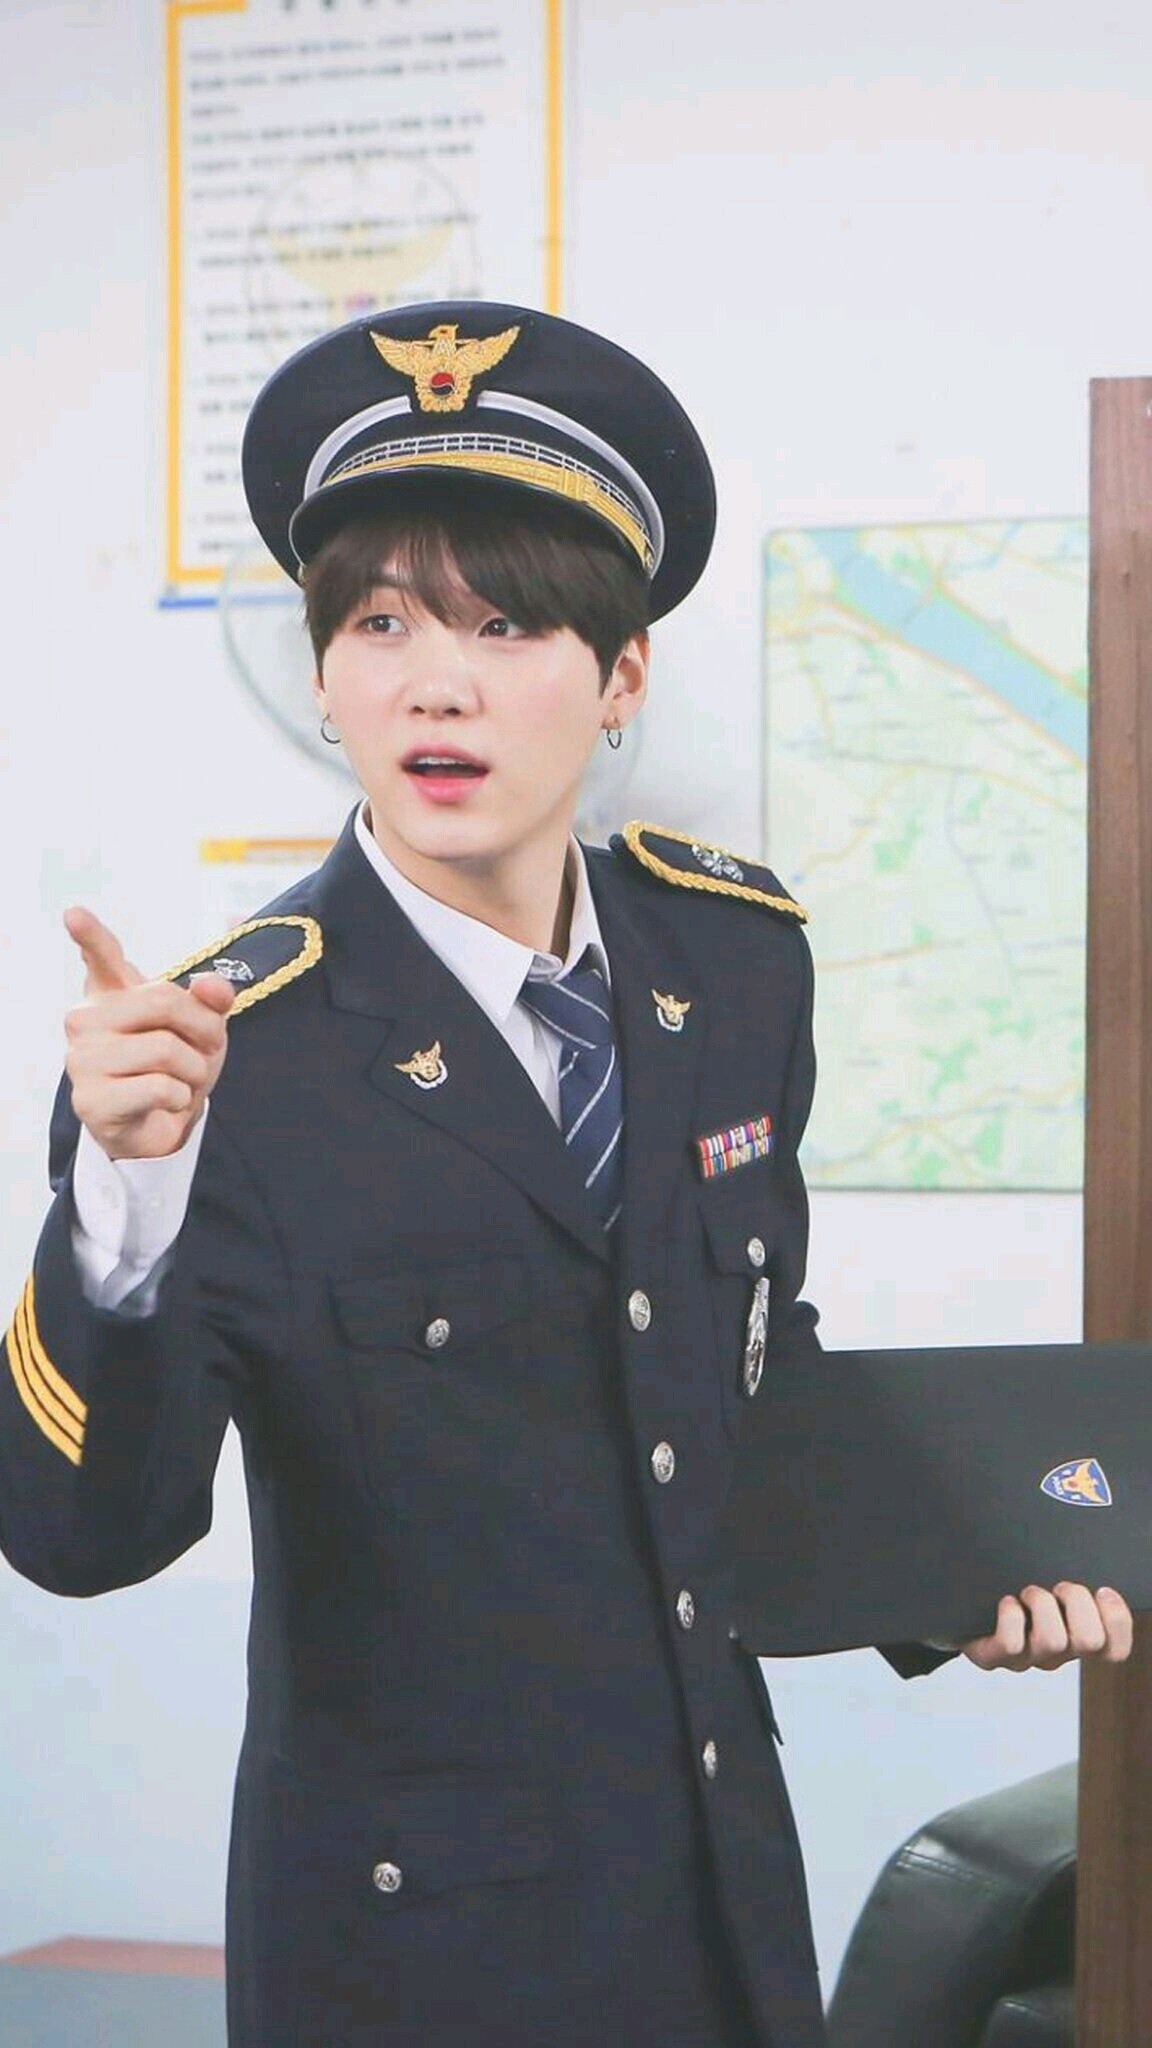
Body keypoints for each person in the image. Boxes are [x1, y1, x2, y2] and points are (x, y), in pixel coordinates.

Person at [0, 301, 1131, 2047]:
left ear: (622, 680)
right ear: (324, 677)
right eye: (379, 623)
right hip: (410, 1954)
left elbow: (746, 1376)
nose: (433, 682)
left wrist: (961, 1579)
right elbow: (85, 1536)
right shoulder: (216, 1056)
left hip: (719, 1903)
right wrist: (123, 1211)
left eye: (505, 623)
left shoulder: (734, 965)